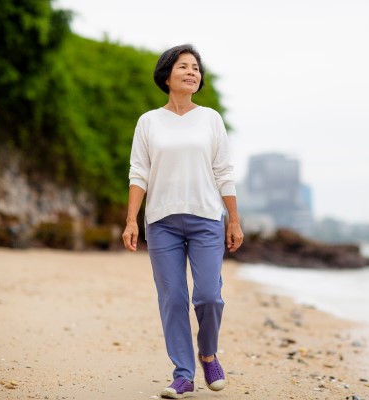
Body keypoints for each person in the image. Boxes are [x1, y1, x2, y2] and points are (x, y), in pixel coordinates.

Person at [121, 44, 243, 399]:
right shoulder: (148, 121)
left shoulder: (210, 119)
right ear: (166, 75)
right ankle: (183, 374)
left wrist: (233, 220)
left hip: (207, 218)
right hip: (161, 221)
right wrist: (132, 220)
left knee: (208, 296)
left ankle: (208, 353)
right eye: (183, 66)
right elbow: (138, 172)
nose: (192, 72)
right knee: (173, 298)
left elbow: (224, 171)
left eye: (196, 68)